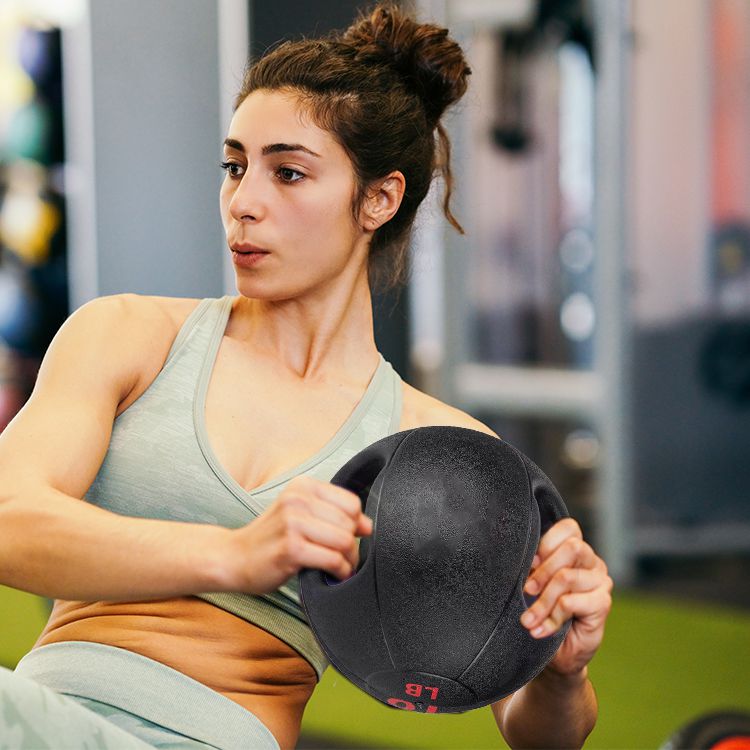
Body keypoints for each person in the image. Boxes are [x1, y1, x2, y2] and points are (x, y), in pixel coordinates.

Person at [0, 3, 612, 749]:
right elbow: (8, 518)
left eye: (288, 172)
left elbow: (536, 736)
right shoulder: (129, 336)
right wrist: (236, 553)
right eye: (236, 166)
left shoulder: (438, 451)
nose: (243, 203)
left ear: (378, 199)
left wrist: (561, 671)